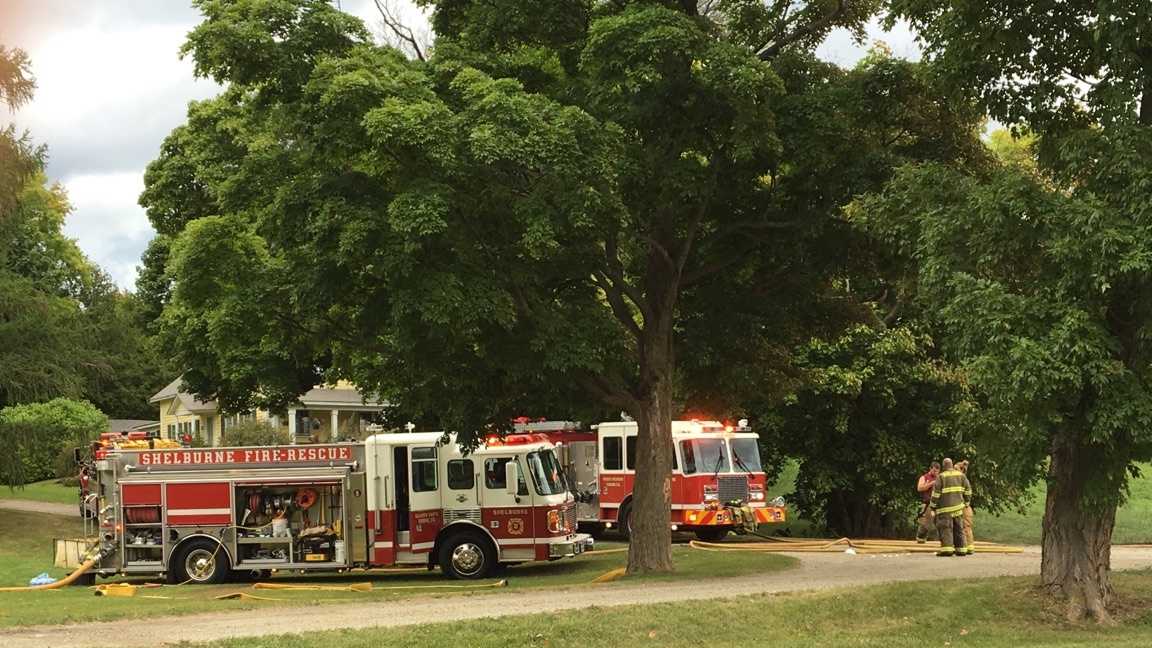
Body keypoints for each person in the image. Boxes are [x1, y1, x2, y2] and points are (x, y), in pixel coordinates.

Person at [931, 458, 972, 556]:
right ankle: (961, 550)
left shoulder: (941, 477)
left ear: (944, 466)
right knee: (959, 529)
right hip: (958, 509)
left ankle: (947, 550)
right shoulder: (961, 475)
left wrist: (933, 506)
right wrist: (966, 502)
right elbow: (968, 490)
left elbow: (936, 494)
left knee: (946, 529)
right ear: (952, 464)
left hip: (945, 510)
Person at [915, 461, 941, 543]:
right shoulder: (924, 477)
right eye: (934, 470)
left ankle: (942, 539)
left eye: (937, 471)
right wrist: (930, 484)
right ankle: (921, 537)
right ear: (930, 469)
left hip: (938, 504)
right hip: (927, 503)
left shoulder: (940, 478)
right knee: (925, 523)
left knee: (941, 522)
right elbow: (919, 488)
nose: (935, 472)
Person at [956, 460, 975, 551]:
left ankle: (969, 546)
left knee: (965, 526)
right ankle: (967, 546)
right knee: (964, 527)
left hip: (963, 507)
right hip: (963, 506)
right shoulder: (962, 479)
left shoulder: (962, 479)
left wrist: (966, 503)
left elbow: (968, 493)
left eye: (955, 469)